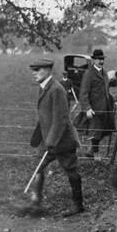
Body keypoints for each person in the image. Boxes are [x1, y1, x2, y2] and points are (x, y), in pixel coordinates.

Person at [27, 58, 85, 217]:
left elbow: (61, 119)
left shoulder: (57, 90)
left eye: (37, 70)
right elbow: (45, 116)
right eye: (33, 70)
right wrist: (38, 137)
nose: (34, 73)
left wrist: (51, 142)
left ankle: (78, 205)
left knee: (71, 171)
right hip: (48, 139)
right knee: (38, 167)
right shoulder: (43, 88)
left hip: (63, 140)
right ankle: (35, 202)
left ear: (47, 70)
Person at [78, 49, 116, 159]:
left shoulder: (104, 73)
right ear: (93, 60)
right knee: (96, 131)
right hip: (95, 109)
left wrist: (112, 101)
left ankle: (91, 150)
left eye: (102, 59)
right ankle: (96, 154)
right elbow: (83, 93)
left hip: (105, 107)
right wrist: (87, 108)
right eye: (99, 59)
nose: (101, 61)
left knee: (106, 130)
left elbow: (106, 90)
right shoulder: (89, 74)